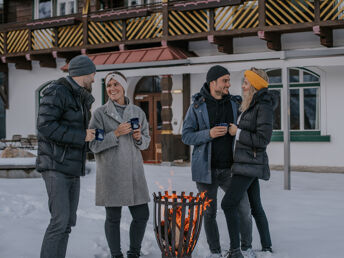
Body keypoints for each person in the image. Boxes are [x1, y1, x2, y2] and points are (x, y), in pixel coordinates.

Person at [182, 65, 254, 258]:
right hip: (206, 171)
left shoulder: (234, 104)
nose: (229, 85)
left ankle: (246, 248)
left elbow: (249, 124)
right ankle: (215, 251)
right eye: (225, 80)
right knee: (209, 213)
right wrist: (209, 133)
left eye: (229, 80)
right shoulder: (196, 106)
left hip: (231, 170)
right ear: (212, 82)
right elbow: (186, 136)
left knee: (244, 209)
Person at [36, 55, 96, 258]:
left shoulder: (79, 97)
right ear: (83, 73)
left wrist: (90, 139)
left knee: (68, 223)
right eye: (93, 74)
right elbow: (45, 126)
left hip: (71, 167)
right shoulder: (57, 91)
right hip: (55, 166)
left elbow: (74, 130)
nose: (94, 79)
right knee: (59, 222)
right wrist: (81, 136)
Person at [89, 71, 151, 258]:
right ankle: (116, 255)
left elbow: (146, 141)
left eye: (116, 84)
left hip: (134, 172)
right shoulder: (100, 114)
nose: (112, 88)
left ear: (123, 87)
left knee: (142, 215)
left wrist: (140, 138)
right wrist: (115, 133)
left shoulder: (138, 112)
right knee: (113, 218)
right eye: (109, 85)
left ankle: (134, 253)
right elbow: (94, 144)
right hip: (112, 172)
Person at [221, 68, 276, 258]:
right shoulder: (249, 104)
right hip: (246, 162)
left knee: (228, 204)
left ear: (253, 86)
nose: (242, 86)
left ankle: (236, 250)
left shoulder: (264, 106)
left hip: (249, 164)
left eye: (245, 83)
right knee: (256, 206)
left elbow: (263, 139)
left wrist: (238, 133)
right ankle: (267, 246)